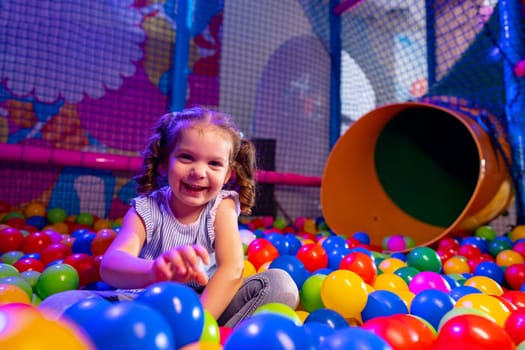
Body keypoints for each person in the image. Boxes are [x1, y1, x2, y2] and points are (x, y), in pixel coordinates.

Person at [39, 106, 299, 328]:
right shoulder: (146, 209)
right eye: (186, 157)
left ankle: (213, 340)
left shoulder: (222, 207)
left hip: (207, 301)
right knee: (56, 305)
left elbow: (232, 269)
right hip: (145, 302)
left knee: (280, 285)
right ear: (165, 161)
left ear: (228, 173)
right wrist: (154, 270)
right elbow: (111, 265)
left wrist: (196, 322)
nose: (198, 172)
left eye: (214, 164)